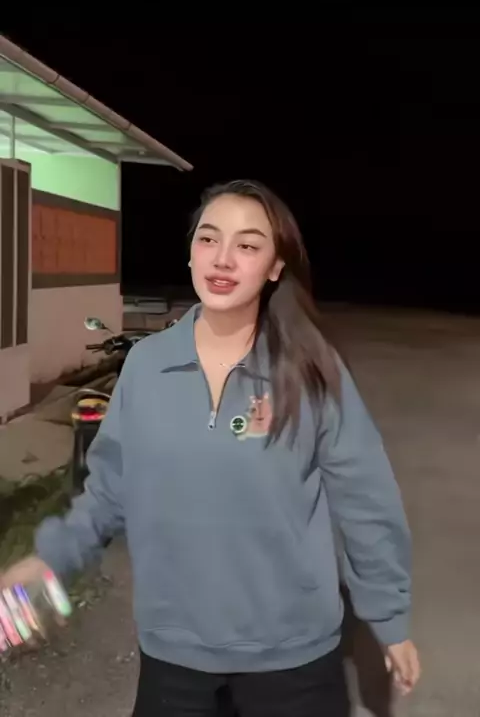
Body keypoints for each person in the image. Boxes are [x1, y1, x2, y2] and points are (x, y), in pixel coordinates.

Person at [1, 180, 420, 715]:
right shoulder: (147, 366)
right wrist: (50, 560)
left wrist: (388, 617)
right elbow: (108, 491)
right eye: (208, 238)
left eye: (247, 245)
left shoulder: (309, 369)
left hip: (294, 659)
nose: (223, 258)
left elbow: (365, 498)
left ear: (275, 267)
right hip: (175, 657)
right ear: (191, 252)